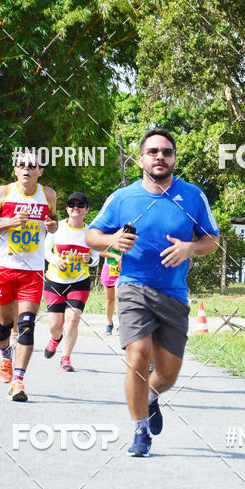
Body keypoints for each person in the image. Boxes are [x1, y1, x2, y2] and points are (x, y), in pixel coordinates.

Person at [86, 127, 219, 456]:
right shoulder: (122, 198)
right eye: (153, 152)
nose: (160, 157)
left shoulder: (192, 196)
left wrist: (190, 248)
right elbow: (91, 235)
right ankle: (140, 431)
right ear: (141, 159)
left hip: (173, 294)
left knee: (168, 374)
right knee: (138, 355)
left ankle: (149, 397)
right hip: (133, 287)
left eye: (167, 152)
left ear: (174, 158)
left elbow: (212, 240)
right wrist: (111, 241)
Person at [0, 151, 57, 401]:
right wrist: (9, 223)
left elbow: (52, 221)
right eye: (21, 164)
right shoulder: (4, 192)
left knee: (25, 325)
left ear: (40, 170)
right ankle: (5, 356)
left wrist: (53, 226)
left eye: (32, 165)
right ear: (15, 170)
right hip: (4, 267)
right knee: (3, 327)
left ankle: (18, 380)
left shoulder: (49, 195)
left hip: (32, 271)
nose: (26, 168)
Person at [42, 192, 99, 371]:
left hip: (79, 282)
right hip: (55, 281)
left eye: (80, 205)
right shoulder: (57, 229)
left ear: (86, 209)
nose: (76, 208)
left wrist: (88, 260)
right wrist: (55, 260)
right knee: (55, 325)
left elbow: (96, 258)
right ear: (67, 209)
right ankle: (55, 338)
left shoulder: (91, 232)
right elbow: (45, 251)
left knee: (73, 318)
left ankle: (65, 358)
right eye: (72, 205)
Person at [100, 250, 120, 334]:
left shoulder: (128, 237)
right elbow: (101, 252)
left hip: (123, 270)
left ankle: (121, 325)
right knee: (109, 300)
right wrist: (115, 256)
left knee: (120, 298)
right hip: (109, 269)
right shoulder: (107, 237)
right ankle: (109, 323)